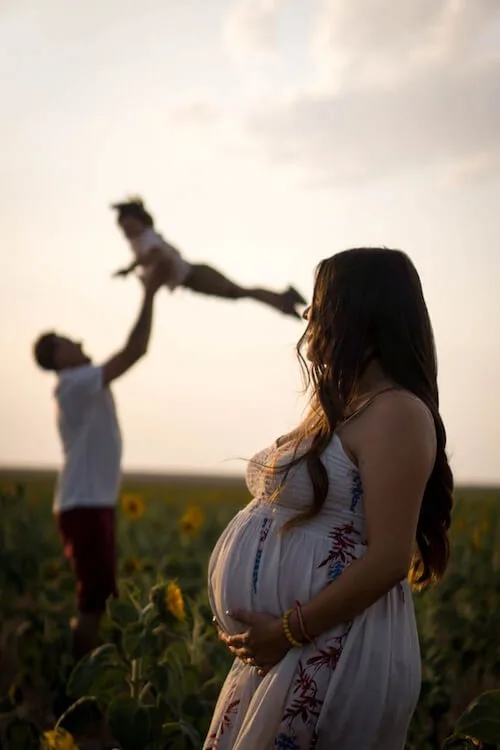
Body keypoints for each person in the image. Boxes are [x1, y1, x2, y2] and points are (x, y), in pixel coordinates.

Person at [204, 247, 453, 749]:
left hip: (333, 647)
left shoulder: (397, 413)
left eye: (319, 302)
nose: (307, 315)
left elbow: (388, 558)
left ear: (357, 309)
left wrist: (289, 631)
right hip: (289, 648)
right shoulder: (340, 406)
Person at [32, 259, 168, 660]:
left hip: (91, 504)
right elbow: (134, 351)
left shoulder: (81, 384)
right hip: (84, 505)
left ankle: (81, 675)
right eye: (64, 341)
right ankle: (75, 686)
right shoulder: (74, 384)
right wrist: (149, 292)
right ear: (59, 358)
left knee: (100, 597)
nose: (75, 340)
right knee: (93, 603)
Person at [111, 198, 307, 319]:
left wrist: (130, 269)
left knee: (240, 292)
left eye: (129, 226)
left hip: (196, 276)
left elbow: (154, 256)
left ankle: (285, 301)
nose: (127, 231)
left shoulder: (147, 238)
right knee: (241, 293)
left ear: (140, 221)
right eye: (123, 229)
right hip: (194, 279)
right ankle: (284, 303)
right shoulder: (141, 242)